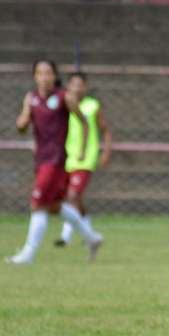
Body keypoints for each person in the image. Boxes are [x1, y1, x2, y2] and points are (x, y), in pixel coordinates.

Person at [10, 60, 102, 265]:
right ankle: (91, 238)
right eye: (40, 73)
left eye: (48, 73)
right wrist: (23, 120)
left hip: (56, 159)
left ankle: (28, 254)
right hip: (41, 159)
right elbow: (22, 125)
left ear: (54, 76)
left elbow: (84, 122)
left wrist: (82, 149)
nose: (44, 77)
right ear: (35, 76)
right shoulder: (31, 98)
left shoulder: (63, 97)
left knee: (37, 205)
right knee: (54, 206)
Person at [55, 72, 111, 249]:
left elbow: (105, 130)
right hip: (67, 157)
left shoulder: (93, 106)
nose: (77, 88)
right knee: (74, 200)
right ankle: (91, 236)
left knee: (72, 196)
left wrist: (106, 152)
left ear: (85, 87)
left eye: (80, 84)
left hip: (86, 158)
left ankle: (65, 237)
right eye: (73, 84)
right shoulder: (65, 107)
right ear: (68, 87)